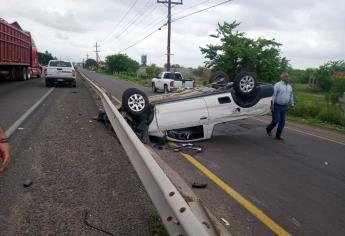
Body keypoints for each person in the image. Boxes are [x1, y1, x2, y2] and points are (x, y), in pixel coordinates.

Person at [266, 72, 295, 140]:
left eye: (288, 76)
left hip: (284, 106)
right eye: (286, 76)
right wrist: (272, 104)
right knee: (276, 120)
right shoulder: (277, 85)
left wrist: (292, 105)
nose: (287, 78)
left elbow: (291, 96)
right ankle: (268, 128)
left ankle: (278, 136)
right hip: (276, 106)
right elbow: (273, 95)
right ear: (282, 78)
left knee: (282, 122)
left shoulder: (290, 87)